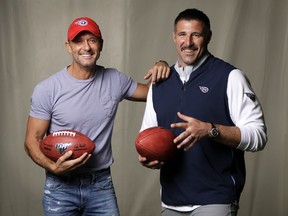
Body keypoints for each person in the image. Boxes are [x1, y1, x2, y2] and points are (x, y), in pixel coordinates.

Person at [24, 17, 170, 216]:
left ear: (101, 44)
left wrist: (161, 65)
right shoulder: (47, 89)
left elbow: (152, 94)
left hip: (100, 184)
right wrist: (53, 167)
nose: (86, 47)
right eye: (78, 41)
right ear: (68, 47)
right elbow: (32, 140)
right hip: (60, 187)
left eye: (92, 40)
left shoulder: (114, 79)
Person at [138, 8, 267, 216]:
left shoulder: (230, 77)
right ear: (174, 37)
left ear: (207, 37)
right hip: (171, 200)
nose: (188, 42)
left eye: (196, 35)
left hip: (215, 198)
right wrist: (149, 157)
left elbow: (259, 136)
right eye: (182, 34)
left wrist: (210, 130)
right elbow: (148, 136)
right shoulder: (158, 83)